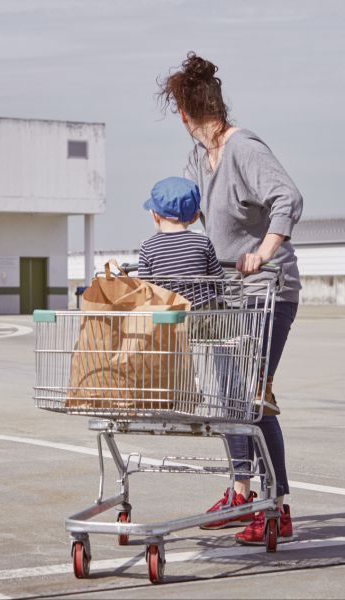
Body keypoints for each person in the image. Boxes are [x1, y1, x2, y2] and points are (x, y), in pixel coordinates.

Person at [159, 51, 304, 545]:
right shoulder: (199, 158)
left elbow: (289, 197)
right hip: (223, 295)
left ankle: (276, 505)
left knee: (252, 397)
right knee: (226, 400)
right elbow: (191, 214)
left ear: (184, 114)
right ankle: (241, 493)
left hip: (268, 292)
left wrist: (262, 253)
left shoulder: (245, 149)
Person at [138, 176, 225, 302]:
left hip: (168, 316)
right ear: (195, 217)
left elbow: (145, 290)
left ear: (155, 216)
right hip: (204, 314)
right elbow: (219, 282)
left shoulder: (148, 247)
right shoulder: (203, 242)